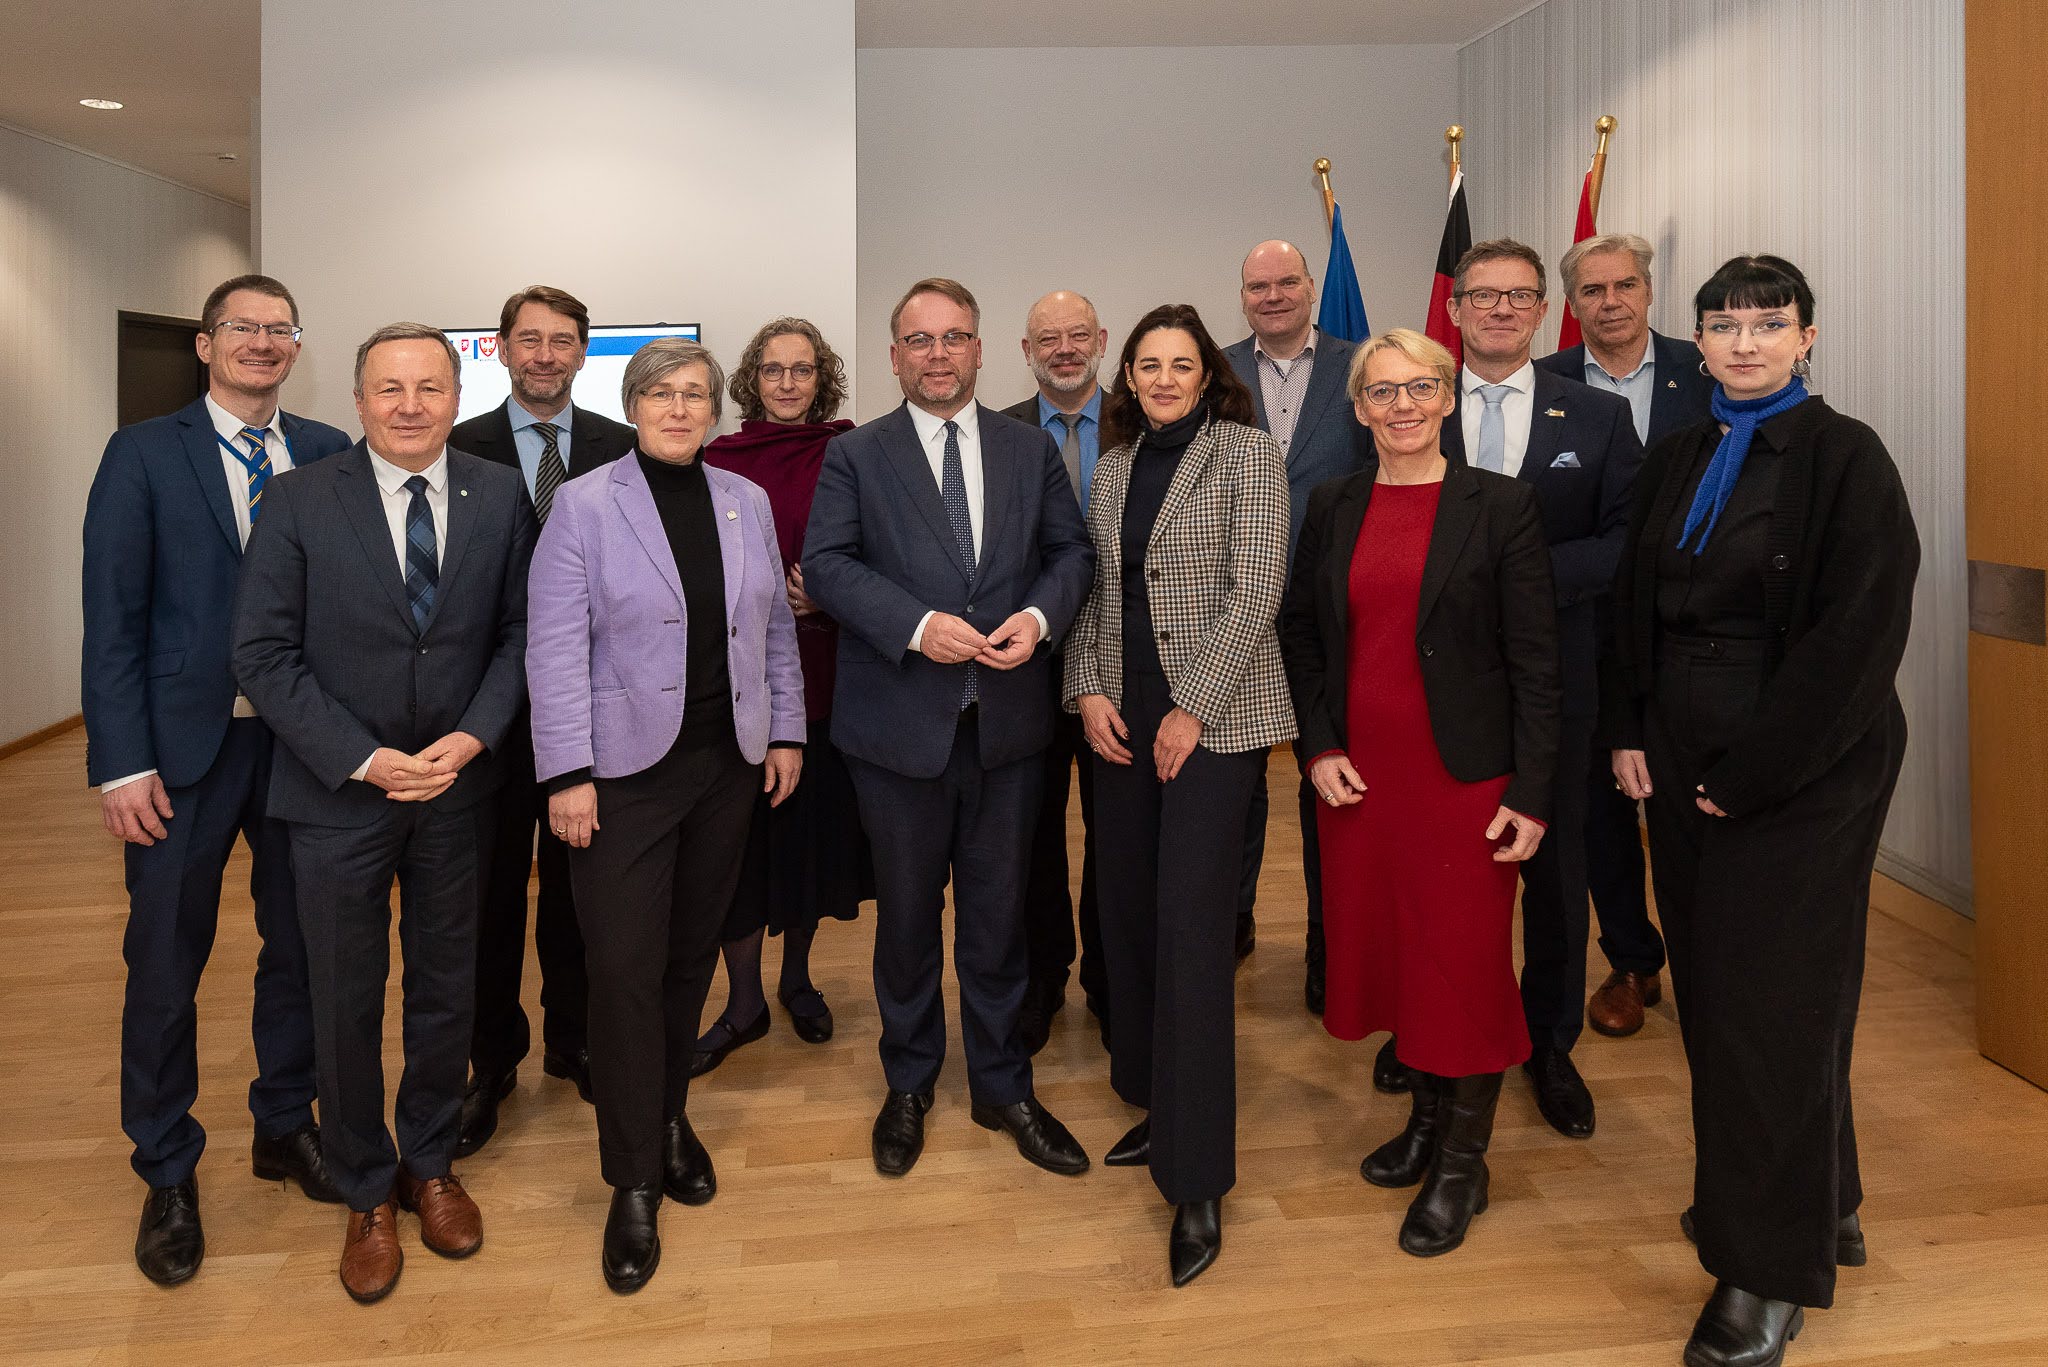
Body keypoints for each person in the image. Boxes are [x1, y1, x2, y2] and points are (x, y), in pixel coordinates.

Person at [1601, 256, 1915, 1366]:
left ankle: (1765, 1272)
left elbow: (1856, 638)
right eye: (1723, 325)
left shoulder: (1846, 457)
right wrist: (1628, 727)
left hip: (1802, 766)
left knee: (1766, 1008)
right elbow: (1632, 602)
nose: (1744, 342)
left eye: (1767, 324)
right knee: (1725, 995)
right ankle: (1820, 1200)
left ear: (1806, 337)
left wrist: (1755, 772)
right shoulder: (1679, 450)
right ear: (1698, 342)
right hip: (1681, 753)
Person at [232, 323, 535, 1303]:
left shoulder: (499, 493)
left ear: (456, 396)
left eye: (429, 387)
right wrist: (361, 758)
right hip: (336, 796)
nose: (410, 405)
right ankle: (366, 1186)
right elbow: (262, 652)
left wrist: (476, 734)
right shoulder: (298, 498)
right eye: (389, 388)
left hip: (456, 790)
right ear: (359, 400)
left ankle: (429, 1163)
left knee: (447, 988)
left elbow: (520, 632)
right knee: (344, 995)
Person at [82, 274, 351, 1286]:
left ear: (296, 346)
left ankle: (284, 1121)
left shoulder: (327, 450)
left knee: (303, 945)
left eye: (280, 328)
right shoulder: (143, 454)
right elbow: (112, 619)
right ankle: (166, 1166)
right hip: (178, 757)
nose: (262, 342)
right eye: (243, 326)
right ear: (205, 344)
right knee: (164, 959)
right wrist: (121, 762)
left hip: (299, 746)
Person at [526, 338, 804, 1293]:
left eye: (694, 394)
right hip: (619, 777)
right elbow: (554, 647)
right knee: (623, 971)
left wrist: (787, 731)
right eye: (660, 393)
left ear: (714, 409)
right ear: (632, 404)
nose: (679, 408)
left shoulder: (746, 500)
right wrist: (567, 772)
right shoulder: (584, 504)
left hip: (725, 767)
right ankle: (632, 1177)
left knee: (690, 957)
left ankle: (669, 1113)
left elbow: (771, 629)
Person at [803, 277, 1096, 1182]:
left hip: (1008, 729)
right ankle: (909, 1081)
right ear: (895, 356)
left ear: (980, 348)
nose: (938, 355)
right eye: (920, 340)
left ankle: (1003, 1084)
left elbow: (1070, 552)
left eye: (954, 337)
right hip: (898, 734)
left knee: (1000, 918)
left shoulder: (1026, 448)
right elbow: (827, 564)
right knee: (906, 920)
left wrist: (1039, 621)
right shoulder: (857, 455)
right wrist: (917, 625)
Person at [1279, 327, 1559, 1259]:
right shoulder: (1335, 502)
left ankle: (1464, 1165)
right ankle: (1428, 1124)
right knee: (1398, 958)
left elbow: (1537, 662)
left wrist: (1533, 790)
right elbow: (1303, 634)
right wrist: (1318, 745)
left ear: (1447, 396)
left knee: (1462, 968)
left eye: (1420, 388)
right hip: (1361, 782)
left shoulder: (1501, 506)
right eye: (1382, 391)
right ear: (1358, 410)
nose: (1402, 406)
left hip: (1464, 783)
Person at [1063, 303, 1294, 1286]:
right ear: (1128, 376)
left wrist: (1191, 705)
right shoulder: (1112, 467)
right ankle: (1160, 1106)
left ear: (1207, 376)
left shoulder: (1246, 454)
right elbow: (1094, 593)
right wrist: (1087, 689)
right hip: (1121, 721)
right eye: (1148, 364)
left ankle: (1197, 1177)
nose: (1163, 378)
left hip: (1215, 721)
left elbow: (1257, 588)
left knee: (1193, 934)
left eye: (1181, 364)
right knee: (1130, 918)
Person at [1427, 239, 1644, 1138]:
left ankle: (1549, 1045)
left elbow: (1628, 542)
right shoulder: (1415, 405)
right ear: (1456, 310)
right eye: (1484, 296)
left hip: (1561, 682)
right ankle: (1431, 1030)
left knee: (1555, 876)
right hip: (1439, 687)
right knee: (1443, 873)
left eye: (1520, 296)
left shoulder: (1595, 416)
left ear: (1544, 309)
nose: (1502, 310)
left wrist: (1516, 580)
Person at [449, 285, 636, 1157]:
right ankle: (491, 1059)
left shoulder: (623, 447)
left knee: (579, 892)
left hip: (592, 710)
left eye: (563, 341)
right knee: (483, 898)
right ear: (500, 347)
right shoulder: (455, 445)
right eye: (530, 339)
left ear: (583, 352)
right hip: (482, 715)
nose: (546, 355)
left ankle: (576, 1038)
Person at [1537, 233, 1713, 1039]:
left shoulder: (1706, 371)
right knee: (1598, 809)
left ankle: (1715, 964)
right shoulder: (1543, 383)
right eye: (1593, 289)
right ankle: (1633, 959)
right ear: (1571, 304)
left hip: (1691, 621)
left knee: (1692, 800)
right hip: (1585, 622)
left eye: (1626, 285)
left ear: (1648, 290)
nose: (1611, 301)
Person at [694, 317, 864, 1074]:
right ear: (751, 380)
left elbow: (880, 557)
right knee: (738, 853)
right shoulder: (715, 460)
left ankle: (797, 979)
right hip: (737, 689)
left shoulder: (850, 453)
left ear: (821, 379)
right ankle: (743, 1001)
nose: (788, 383)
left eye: (802, 369)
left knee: (805, 847)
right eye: (773, 370)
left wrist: (832, 598)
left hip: (829, 681)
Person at [1221, 240, 1373, 1012]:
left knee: (1328, 777)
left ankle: (1328, 940)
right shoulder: (1214, 371)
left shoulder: (1361, 365)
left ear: (1311, 287)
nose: (1273, 295)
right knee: (1235, 780)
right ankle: (1232, 918)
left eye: (1287, 282)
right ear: (1242, 295)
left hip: (1331, 610)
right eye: (1259, 285)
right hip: (1234, 608)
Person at [1001, 289, 1113, 1054]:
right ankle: (1041, 979)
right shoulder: (998, 435)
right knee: (1031, 838)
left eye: (1077, 335)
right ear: (1026, 350)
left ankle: (1109, 979)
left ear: (1101, 339)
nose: (1064, 348)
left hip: (1121, 670)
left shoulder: (1145, 422)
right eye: (1049, 338)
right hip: (1027, 670)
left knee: (1118, 835)